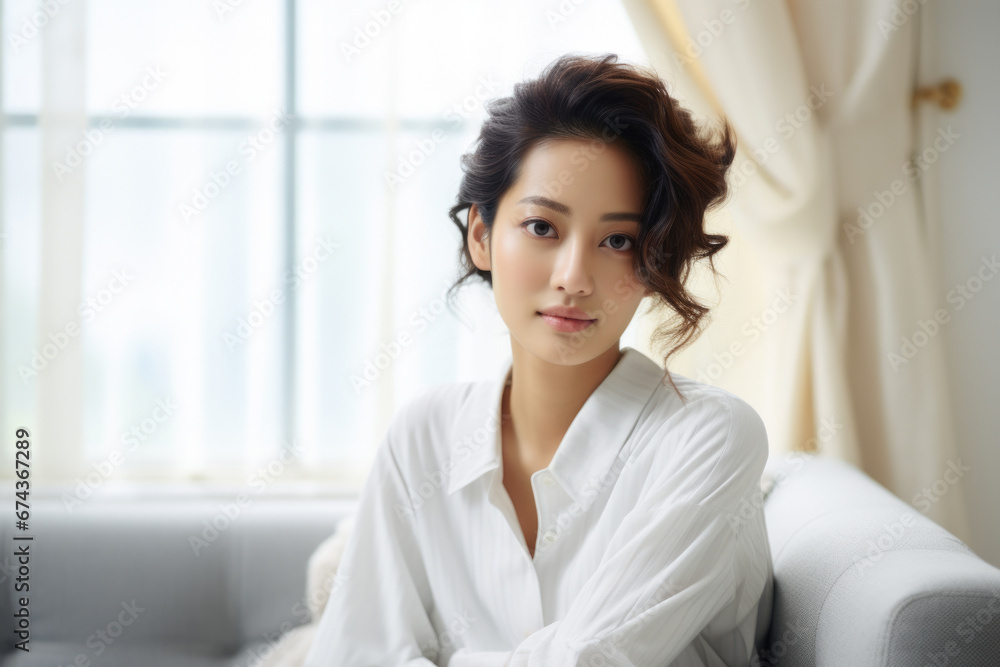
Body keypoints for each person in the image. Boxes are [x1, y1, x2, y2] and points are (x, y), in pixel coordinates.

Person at [304, 52, 773, 667]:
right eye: (542, 228)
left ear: (655, 261)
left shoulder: (707, 437)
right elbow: (350, 656)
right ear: (480, 236)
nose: (575, 278)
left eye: (618, 241)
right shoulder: (423, 436)